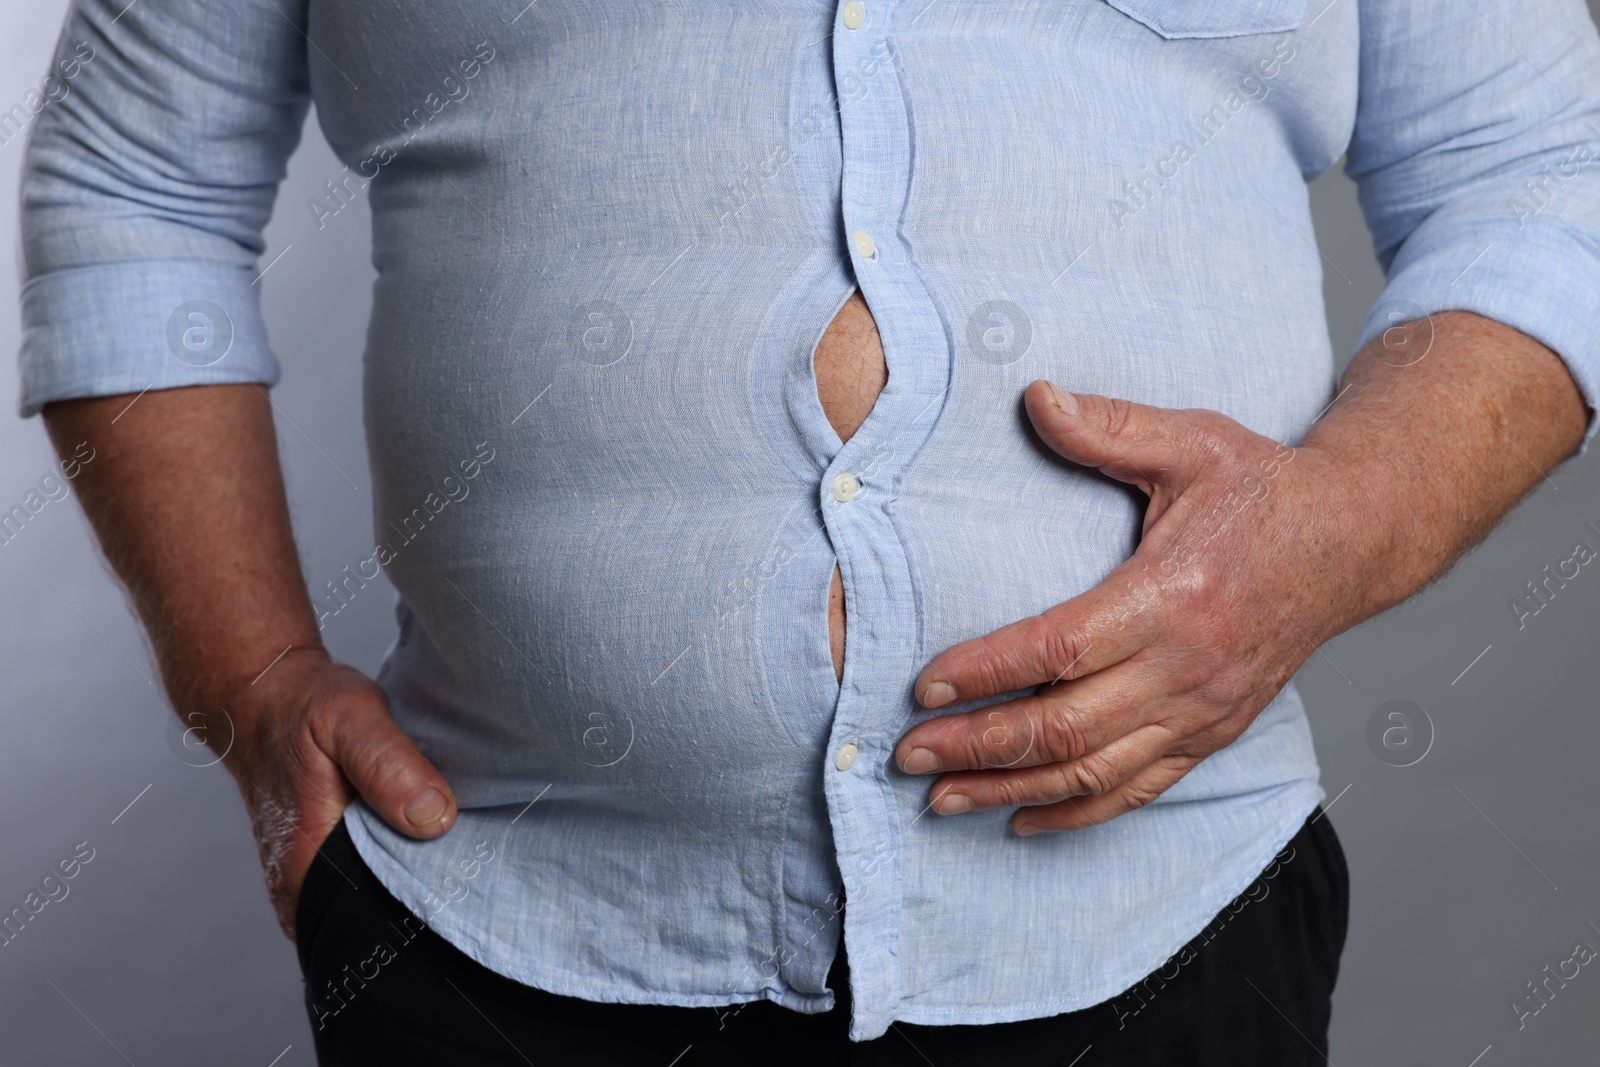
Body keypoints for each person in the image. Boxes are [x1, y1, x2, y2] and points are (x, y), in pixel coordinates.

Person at [17, 0, 1599, 1062]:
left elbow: (1545, 180)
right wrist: (252, 678)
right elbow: (131, 182)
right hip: (485, 927)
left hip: (1170, 922)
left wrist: (1335, 526)